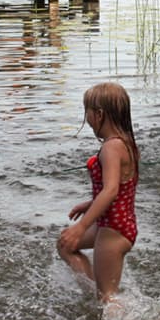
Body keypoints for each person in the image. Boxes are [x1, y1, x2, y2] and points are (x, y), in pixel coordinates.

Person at [57, 82, 140, 303]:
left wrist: (81, 226)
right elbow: (122, 187)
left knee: (108, 299)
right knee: (66, 245)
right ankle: (91, 293)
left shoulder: (111, 148)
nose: (86, 118)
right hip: (117, 224)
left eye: (88, 112)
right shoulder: (126, 143)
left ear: (99, 114)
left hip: (113, 230)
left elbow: (111, 190)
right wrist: (90, 204)